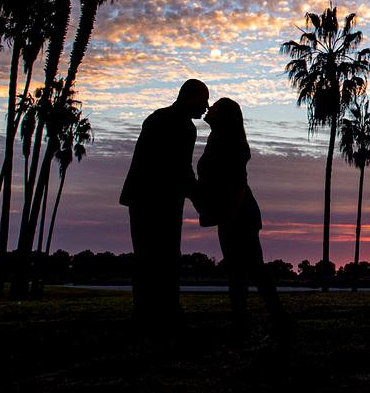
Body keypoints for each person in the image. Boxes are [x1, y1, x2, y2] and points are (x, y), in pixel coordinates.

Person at [119, 79, 209, 325]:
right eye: (203, 100)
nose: (206, 107)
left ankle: (145, 311)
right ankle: (166, 310)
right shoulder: (185, 128)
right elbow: (181, 169)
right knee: (166, 255)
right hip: (162, 199)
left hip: (140, 197)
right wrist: (201, 200)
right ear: (189, 97)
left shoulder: (156, 118)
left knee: (145, 255)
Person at [194, 97, 283, 325]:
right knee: (241, 268)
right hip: (232, 212)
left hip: (239, 213)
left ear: (224, 115)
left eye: (213, 107)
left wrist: (229, 216)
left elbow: (238, 184)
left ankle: (265, 316)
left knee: (249, 268)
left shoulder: (229, 141)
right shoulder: (217, 138)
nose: (208, 108)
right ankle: (251, 315)